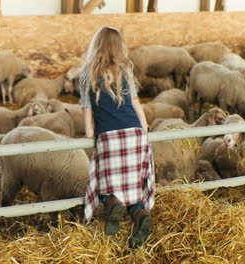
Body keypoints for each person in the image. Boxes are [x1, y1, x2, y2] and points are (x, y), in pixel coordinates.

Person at [79, 26, 155, 249]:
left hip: (109, 136)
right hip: (134, 134)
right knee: (134, 185)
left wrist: (89, 133)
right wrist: (144, 129)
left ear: (96, 46)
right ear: (119, 47)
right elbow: (135, 102)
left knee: (105, 184)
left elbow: (86, 107)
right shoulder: (125, 69)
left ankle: (111, 202)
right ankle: (140, 214)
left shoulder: (87, 73)